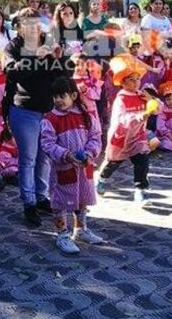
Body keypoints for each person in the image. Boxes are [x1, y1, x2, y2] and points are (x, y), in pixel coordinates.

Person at [2, 8, 66, 227]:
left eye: (36, 24)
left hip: (47, 109)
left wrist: (59, 58)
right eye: (28, 24)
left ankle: (41, 197)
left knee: (44, 156)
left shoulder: (48, 42)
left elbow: (62, 76)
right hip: (24, 109)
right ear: (19, 28)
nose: (33, 29)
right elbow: (12, 71)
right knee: (28, 158)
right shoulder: (13, 47)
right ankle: (28, 202)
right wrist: (35, 56)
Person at [40, 77, 104, 254]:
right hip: (62, 170)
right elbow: (47, 144)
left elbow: (95, 136)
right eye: (55, 96)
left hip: (83, 168)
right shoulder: (50, 119)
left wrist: (90, 153)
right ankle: (62, 234)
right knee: (59, 202)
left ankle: (81, 229)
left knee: (82, 198)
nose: (58, 100)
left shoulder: (86, 115)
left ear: (74, 95)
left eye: (62, 96)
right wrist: (66, 155)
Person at [97, 54, 159, 203]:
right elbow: (123, 120)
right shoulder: (121, 99)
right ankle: (101, 179)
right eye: (131, 79)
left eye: (138, 78)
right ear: (123, 82)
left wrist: (152, 101)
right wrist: (141, 116)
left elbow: (157, 109)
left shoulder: (142, 95)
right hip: (121, 138)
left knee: (142, 162)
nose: (136, 82)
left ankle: (140, 190)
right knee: (112, 164)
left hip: (138, 137)